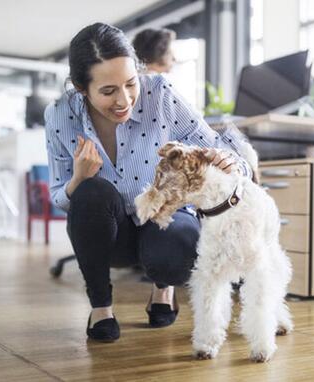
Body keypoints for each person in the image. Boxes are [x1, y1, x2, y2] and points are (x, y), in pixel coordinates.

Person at [44, 23, 252, 342]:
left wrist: (231, 162)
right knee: (90, 192)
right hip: (112, 232)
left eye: (130, 83)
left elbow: (214, 143)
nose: (124, 99)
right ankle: (101, 308)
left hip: (162, 216)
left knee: (177, 251)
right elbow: (60, 195)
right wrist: (77, 179)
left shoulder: (159, 92)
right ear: (81, 88)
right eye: (108, 91)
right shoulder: (60, 116)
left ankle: (163, 289)